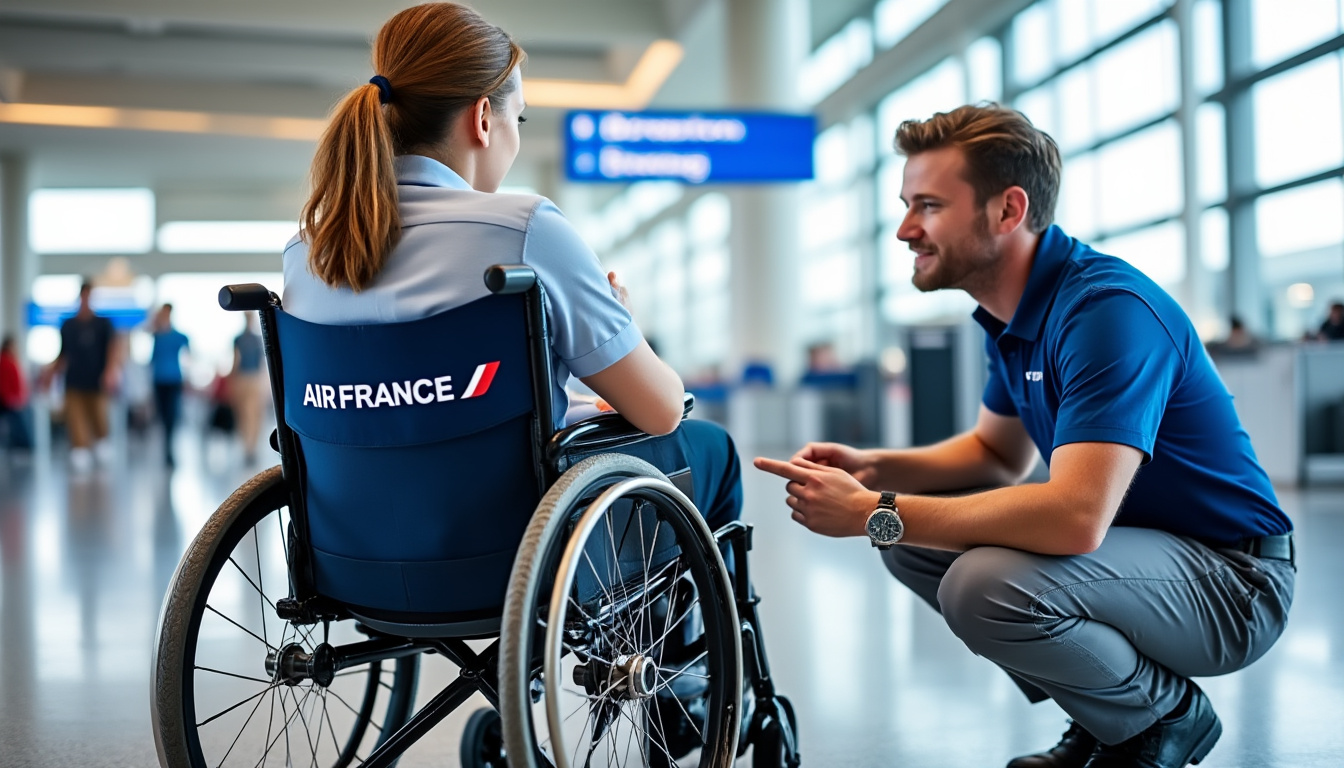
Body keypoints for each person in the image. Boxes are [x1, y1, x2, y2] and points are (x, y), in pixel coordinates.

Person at [756, 104, 1293, 768]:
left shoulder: (1104, 314)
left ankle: (1161, 715)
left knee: (977, 580)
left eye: (927, 205)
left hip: (1231, 582)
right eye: (905, 204)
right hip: (1142, 560)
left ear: (1007, 211)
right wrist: (876, 466)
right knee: (915, 548)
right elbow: (994, 455)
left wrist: (873, 513)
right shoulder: (1012, 313)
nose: (904, 229)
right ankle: (1106, 716)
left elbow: (1074, 519)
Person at [282, 2, 740, 529]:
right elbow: (659, 411)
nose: (516, 134)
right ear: (482, 118)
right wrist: (621, 321)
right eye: (516, 116)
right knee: (714, 450)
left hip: (359, 541)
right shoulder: (525, 230)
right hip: (511, 539)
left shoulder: (308, 254)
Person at [40, 281, 122, 471]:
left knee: (99, 414)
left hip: (97, 379)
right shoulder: (68, 325)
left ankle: (102, 442)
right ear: (80, 297)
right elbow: (63, 353)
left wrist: (110, 371)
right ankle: (79, 448)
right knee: (75, 416)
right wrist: (50, 374)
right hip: (74, 379)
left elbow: (112, 349)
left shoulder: (103, 324)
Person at [149, 304, 190, 466]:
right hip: (159, 381)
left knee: (172, 416)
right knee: (162, 416)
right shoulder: (157, 336)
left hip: (174, 380)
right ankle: (166, 449)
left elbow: (187, 356)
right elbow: (152, 360)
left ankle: (169, 450)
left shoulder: (178, 336)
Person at [230, 312, 265, 464]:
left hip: (244, 379)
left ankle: (249, 448)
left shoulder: (239, 339)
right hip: (253, 379)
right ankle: (250, 448)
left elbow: (236, 361)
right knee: (252, 416)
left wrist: (231, 379)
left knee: (245, 415)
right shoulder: (258, 339)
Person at [1, 333, 35, 451]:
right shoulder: (5, 362)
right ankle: (21, 447)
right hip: (9, 401)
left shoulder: (11, 360)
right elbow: (4, 382)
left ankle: (22, 446)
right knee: (19, 423)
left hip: (15, 398)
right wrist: (10, 398)